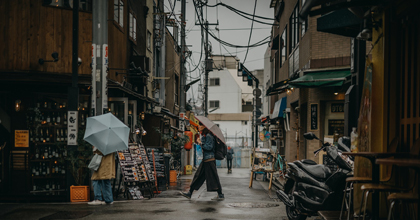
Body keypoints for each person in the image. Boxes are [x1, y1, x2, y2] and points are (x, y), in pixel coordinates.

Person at [180, 122, 224, 200]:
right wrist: (200, 141)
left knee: (213, 177)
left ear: (204, 126)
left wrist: (200, 143)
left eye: (200, 125)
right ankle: (190, 193)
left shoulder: (209, 135)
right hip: (206, 160)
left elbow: (209, 147)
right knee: (198, 176)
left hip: (210, 160)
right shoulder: (205, 135)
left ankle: (220, 194)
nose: (199, 127)